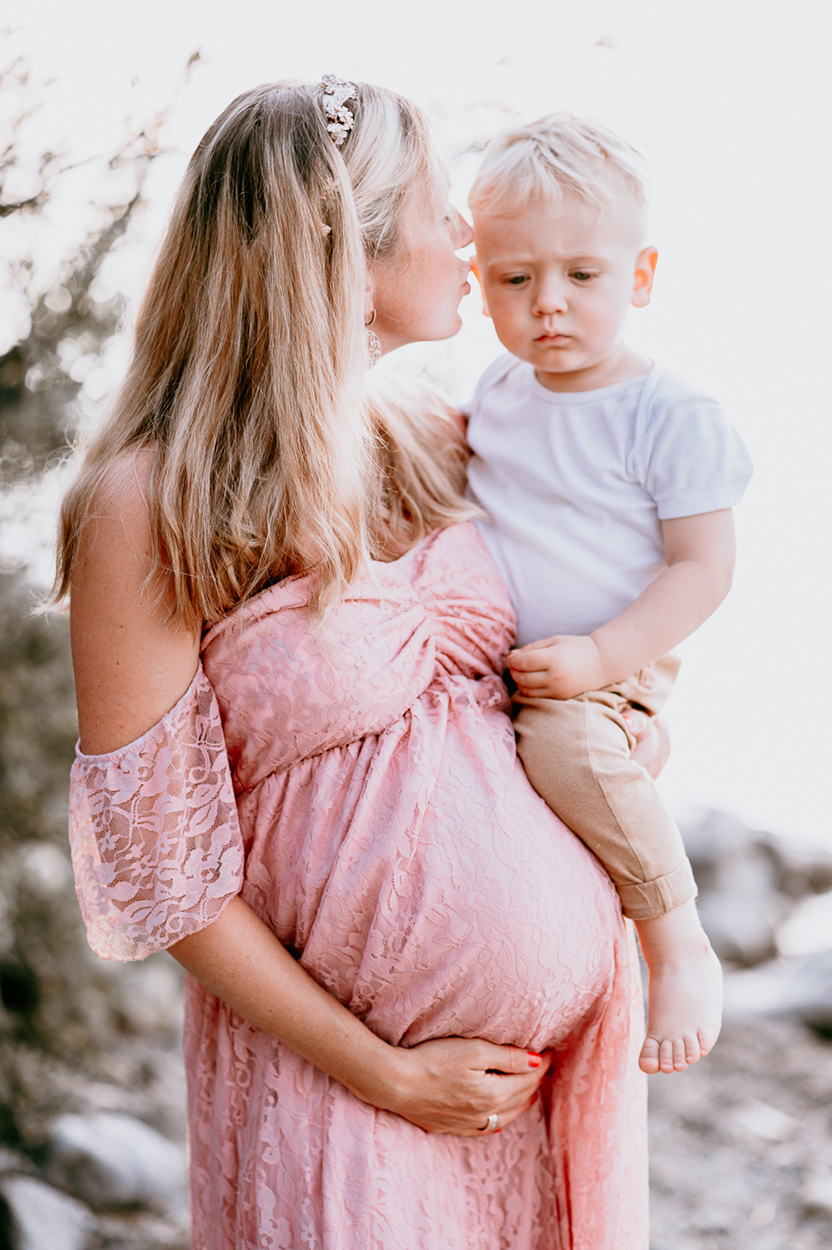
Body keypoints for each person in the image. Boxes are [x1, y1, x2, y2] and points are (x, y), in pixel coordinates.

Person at [57, 80, 649, 1249]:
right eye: (437, 207)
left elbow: (611, 625)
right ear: (343, 242)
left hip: (543, 1088)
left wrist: (630, 722)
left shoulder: (439, 440)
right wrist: (386, 1072)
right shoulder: (148, 503)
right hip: (344, 1090)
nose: (466, 238)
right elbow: (164, 876)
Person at [466, 113, 753, 1078]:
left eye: (581, 275)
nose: (548, 303)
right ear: (481, 283)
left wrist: (599, 660)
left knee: (565, 738)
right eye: (516, 278)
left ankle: (677, 941)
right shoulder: (496, 395)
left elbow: (703, 569)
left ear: (639, 275)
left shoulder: (666, 413)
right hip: (512, 660)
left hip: (603, 668)